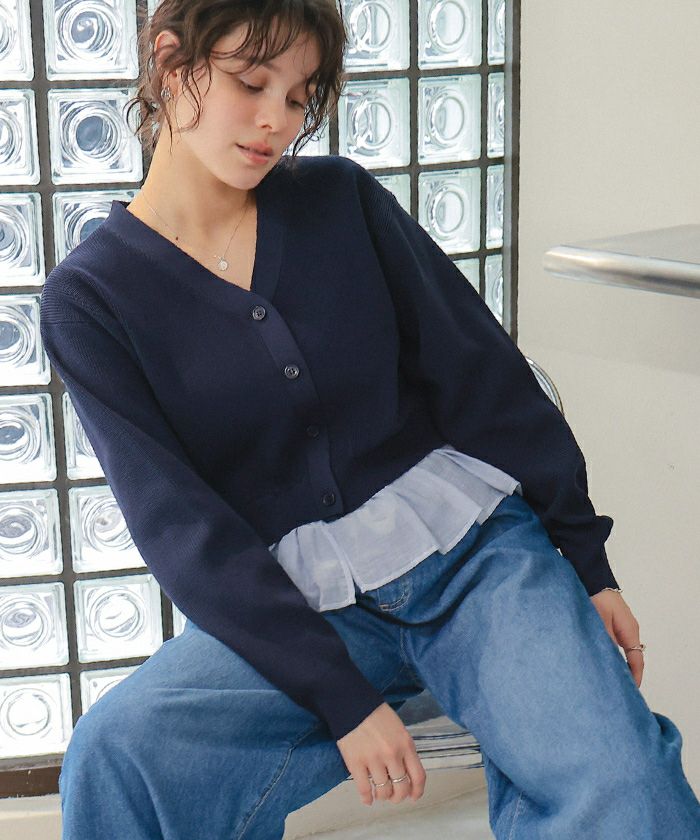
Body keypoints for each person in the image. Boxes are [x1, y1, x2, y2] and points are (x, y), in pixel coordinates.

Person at [39, 1, 700, 838]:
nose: (278, 121)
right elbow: (184, 530)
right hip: (302, 608)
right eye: (252, 83)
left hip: (474, 562)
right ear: (171, 63)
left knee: (623, 780)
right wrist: (343, 701)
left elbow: (484, 379)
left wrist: (586, 561)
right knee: (117, 752)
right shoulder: (90, 302)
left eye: (299, 95)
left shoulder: (339, 200)